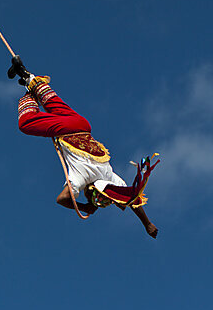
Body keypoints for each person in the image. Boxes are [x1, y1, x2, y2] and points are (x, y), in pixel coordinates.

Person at [9, 56, 158, 238]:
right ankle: (28, 91)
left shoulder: (109, 175)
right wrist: (84, 207)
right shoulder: (81, 179)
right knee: (27, 123)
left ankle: (29, 77)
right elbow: (62, 199)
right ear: (91, 192)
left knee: (52, 102)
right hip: (67, 131)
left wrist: (148, 224)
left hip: (83, 125)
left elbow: (132, 200)